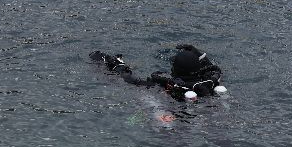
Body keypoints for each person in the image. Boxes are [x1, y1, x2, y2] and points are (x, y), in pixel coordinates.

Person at [90, 44, 227, 100]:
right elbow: (213, 68)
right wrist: (198, 53)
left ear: (174, 70)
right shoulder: (210, 82)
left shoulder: (166, 85)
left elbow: (129, 80)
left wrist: (117, 65)